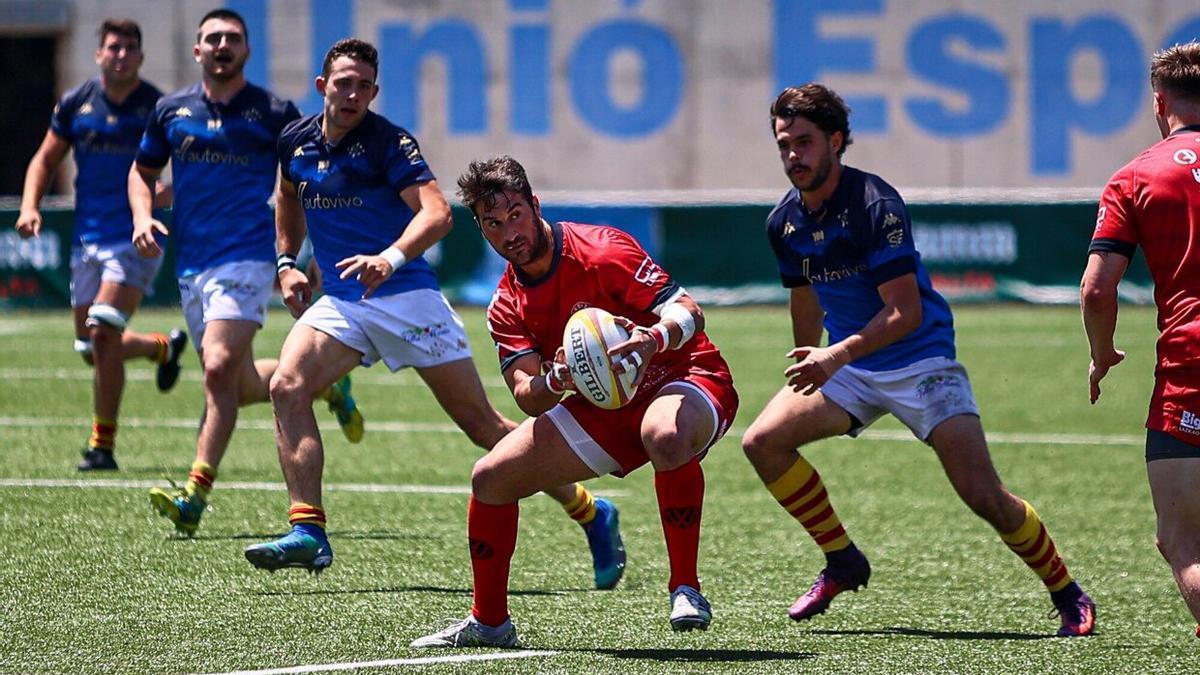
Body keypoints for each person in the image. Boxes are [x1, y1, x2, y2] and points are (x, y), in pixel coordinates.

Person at [242, 39, 626, 589]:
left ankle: (592, 511)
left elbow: (439, 213)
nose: (352, 94)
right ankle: (309, 531)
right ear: (321, 85)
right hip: (345, 303)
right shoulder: (295, 141)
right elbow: (287, 198)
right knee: (286, 385)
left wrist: (390, 257)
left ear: (374, 92)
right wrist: (286, 262)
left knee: (483, 425)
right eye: (343, 83)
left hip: (408, 299)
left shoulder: (388, 143)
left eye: (363, 86)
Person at [740, 83, 1095, 636]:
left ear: (835, 141)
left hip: (920, 360)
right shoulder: (782, 222)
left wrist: (832, 356)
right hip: (851, 367)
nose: (793, 156)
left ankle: (1066, 591)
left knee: (983, 496)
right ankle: (842, 559)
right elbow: (804, 296)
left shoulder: (873, 204)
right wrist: (808, 355)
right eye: (784, 144)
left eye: (804, 143)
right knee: (762, 442)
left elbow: (903, 313)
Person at [410, 155, 739, 649]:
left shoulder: (602, 250)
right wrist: (558, 377)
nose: (509, 233)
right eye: (493, 224)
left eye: (516, 214)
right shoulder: (505, 303)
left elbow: (689, 310)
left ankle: (686, 588)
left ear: (535, 204)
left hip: (683, 374)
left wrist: (653, 339)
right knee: (491, 478)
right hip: (602, 404)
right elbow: (526, 395)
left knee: (664, 435)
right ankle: (490, 622)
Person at [129, 9, 360, 537]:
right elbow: (141, 173)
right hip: (191, 263)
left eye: (232, 38)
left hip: (249, 256)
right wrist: (143, 215)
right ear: (197, 50)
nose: (221, 46)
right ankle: (324, 385)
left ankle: (195, 493)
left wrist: (319, 246)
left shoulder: (273, 112)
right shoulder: (171, 110)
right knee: (233, 382)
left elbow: (313, 173)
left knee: (215, 367)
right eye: (212, 38)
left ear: (247, 51)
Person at [14, 19, 187, 472]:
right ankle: (159, 348)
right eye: (114, 47)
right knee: (89, 346)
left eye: (130, 48)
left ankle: (102, 446)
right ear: (99, 54)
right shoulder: (77, 103)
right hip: (86, 240)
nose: (121, 55)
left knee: (104, 332)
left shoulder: (157, 106)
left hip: (135, 237)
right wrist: (30, 206)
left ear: (141, 57)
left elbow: (188, 167)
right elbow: (44, 159)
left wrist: (165, 195)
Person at [1082, 41, 1200, 638]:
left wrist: (1102, 355)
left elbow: (1097, 292)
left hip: (1192, 367)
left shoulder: (1137, 175)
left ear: (1160, 103)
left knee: (1183, 540)